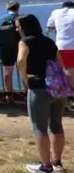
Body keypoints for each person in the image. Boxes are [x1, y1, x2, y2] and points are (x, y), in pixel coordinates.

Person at [17, 14, 67, 173]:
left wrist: (26, 78)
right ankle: (57, 162)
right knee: (57, 125)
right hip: (57, 89)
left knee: (39, 127)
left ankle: (46, 166)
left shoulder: (25, 42)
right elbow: (60, 63)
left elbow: (20, 60)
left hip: (39, 88)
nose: (17, 29)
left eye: (18, 26)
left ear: (24, 27)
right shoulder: (49, 42)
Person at [0, 1, 23, 103]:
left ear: (7, 8)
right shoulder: (21, 18)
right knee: (24, 71)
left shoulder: (0, 20)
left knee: (7, 73)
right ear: (18, 8)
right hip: (20, 47)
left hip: (5, 49)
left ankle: (9, 96)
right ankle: (28, 94)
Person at [47, 1, 74, 89]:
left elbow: (50, 27)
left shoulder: (55, 12)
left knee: (65, 71)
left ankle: (69, 95)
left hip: (61, 46)